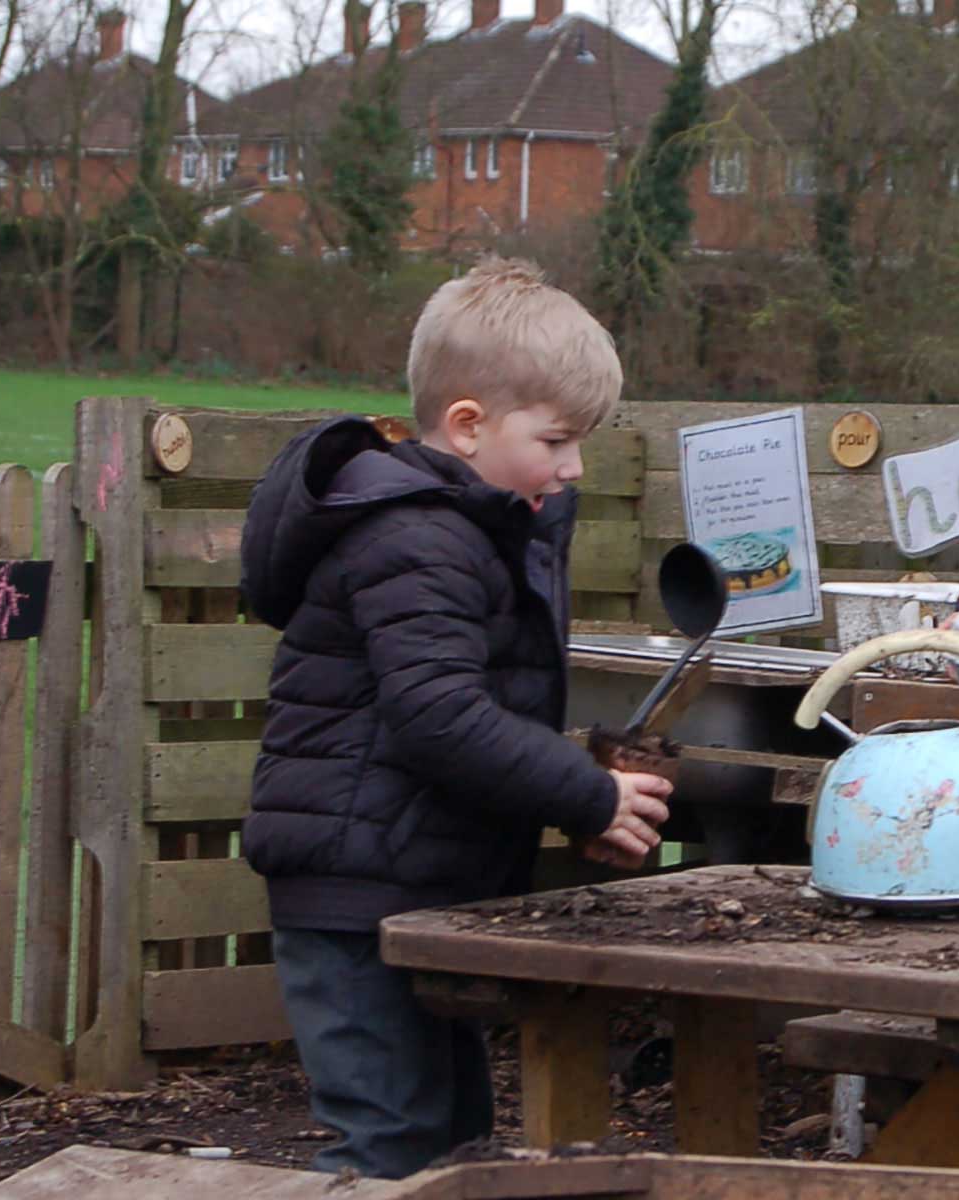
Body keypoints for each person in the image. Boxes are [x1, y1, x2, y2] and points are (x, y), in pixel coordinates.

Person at [239, 257, 673, 1178]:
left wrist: (572, 789)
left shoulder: (471, 531)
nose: (575, 466)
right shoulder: (417, 537)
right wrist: (584, 794)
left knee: (451, 1139)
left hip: (415, 884)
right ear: (469, 425)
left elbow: (478, 708)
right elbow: (438, 717)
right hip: (357, 894)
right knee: (387, 1143)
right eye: (557, 440)